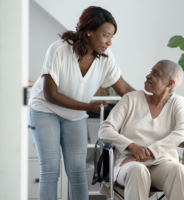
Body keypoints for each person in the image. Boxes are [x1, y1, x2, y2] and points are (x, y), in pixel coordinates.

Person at [28, 6, 134, 200]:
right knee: (50, 170)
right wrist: (88, 107)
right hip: (44, 110)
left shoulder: (106, 59)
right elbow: (49, 94)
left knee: (77, 171)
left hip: (74, 116)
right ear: (89, 31)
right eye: (105, 35)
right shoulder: (59, 50)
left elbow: (125, 90)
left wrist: (155, 100)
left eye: (111, 37)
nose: (109, 42)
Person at [99, 60, 184, 200]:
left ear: (170, 83)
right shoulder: (131, 99)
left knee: (178, 169)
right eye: (150, 71)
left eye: (155, 74)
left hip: (161, 163)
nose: (148, 76)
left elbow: (183, 133)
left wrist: (148, 152)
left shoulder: (178, 103)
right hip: (128, 163)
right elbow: (105, 129)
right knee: (138, 170)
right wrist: (132, 146)